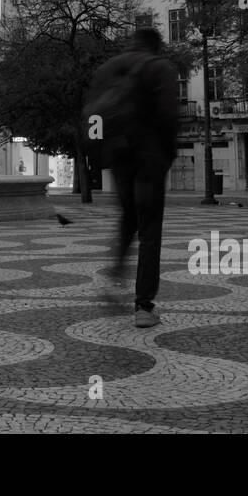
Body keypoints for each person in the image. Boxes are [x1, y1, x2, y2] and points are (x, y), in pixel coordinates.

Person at [86, 28, 179, 328]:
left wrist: (102, 153)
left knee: (128, 219)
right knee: (150, 228)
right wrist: (167, 155)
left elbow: (92, 117)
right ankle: (144, 306)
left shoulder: (108, 69)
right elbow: (168, 116)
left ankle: (114, 276)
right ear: (156, 46)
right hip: (149, 156)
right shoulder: (159, 67)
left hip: (118, 155)